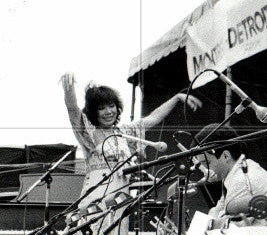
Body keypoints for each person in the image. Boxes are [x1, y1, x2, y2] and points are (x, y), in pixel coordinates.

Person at [60, 73, 201, 209]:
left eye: (111, 106)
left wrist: (177, 98)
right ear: (93, 112)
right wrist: (69, 87)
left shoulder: (125, 132)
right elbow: (72, 109)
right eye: (101, 108)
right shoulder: (89, 134)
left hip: (120, 200)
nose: (108, 111)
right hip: (95, 200)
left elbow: (154, 117)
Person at [193, 123, 267, 228]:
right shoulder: (237, 171)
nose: (205, 170)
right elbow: (219, 208)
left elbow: (227, 225)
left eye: (207, 163)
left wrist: (212, 220)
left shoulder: (241, 179)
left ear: (226, 156)